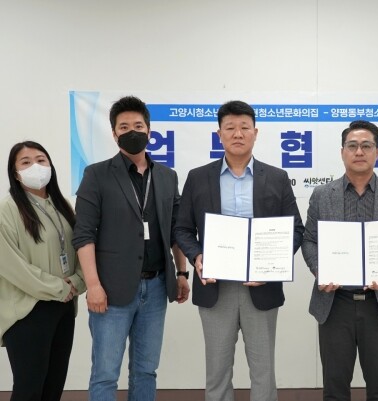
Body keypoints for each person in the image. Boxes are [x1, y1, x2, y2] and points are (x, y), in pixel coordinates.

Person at [174, 100, 304, 401]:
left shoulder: (277, 177)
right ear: (219, 134)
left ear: (255, 133)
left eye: (244, 127)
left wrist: (271, 264)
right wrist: (197, 256)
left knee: (263, 371)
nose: (237, 133)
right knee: (217, 371)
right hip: (214, 286)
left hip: (261, 287)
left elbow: (296, 229)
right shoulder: (198, 177)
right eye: (230, 128)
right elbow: (182, 229)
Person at [72, 96, 190, 401]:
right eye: (124, 127)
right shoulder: (96, 174)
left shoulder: (167, 176)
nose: (132, 131)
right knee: (105, 374)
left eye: (138, 125)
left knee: (146, 371)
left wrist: (181, 273)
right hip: (111, 291)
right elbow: (83, 235)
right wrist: (93, 285)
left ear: (149, 130)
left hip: (156, 288)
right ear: (114, 134)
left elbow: (175, 229)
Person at [301, 120, 378, 401]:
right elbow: (309, 239)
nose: (359, 151)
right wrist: (320, 269)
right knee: (334, 389)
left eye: (366, 145)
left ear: (377, 151)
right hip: (334, 303)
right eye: (352, 146)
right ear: (342, 152)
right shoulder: (322, 195)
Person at [0, 141, 86, 401]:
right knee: (28, 389)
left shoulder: (62, 206)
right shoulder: (8, 210)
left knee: (53, 388)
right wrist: (58, 287)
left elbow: (81, 250)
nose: (35, 167)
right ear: (16, 173)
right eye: (25, 162)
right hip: (28, 310)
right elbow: (11, 266)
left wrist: (77, 282)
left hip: (64, 306)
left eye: (41, 160)